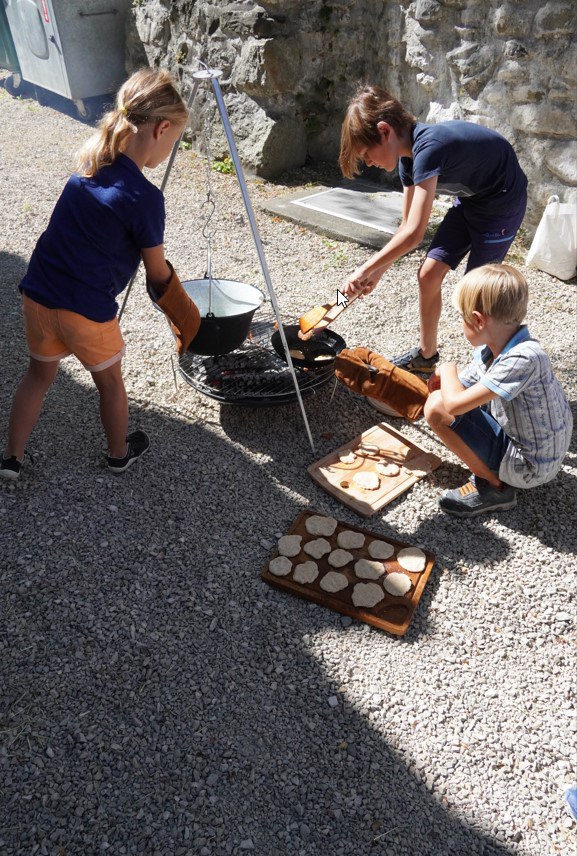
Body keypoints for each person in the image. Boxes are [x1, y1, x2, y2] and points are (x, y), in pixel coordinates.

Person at [0, 68, 194, 481]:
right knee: (110, 384)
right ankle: (119, 454)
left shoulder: (84, 172)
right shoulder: (144, 198)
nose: (169, 149)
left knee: (37, 375)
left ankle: (12, 460)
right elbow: (157, 271)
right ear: (161, 128)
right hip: (86, 311)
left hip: (37, 295)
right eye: (174, 140)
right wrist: (183, 309)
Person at [339, 84, 528, 375]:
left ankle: (494, 374)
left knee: (478, 297)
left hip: (501, 204)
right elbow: (406, 227)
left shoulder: (429, 147)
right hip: (471, 201)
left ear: (385, 131)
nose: (369, 163)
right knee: (428, 275)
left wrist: (363, 269)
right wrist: (376, 272)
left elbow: (416, 233)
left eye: (367, 154)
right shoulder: (407, 160)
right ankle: (426, 357)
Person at [423, 264, 572, 518]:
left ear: (479, 320)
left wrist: (446, 369)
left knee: (437, 407)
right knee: (445, 397)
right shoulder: (500, 348)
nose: (461, 323)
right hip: (528, 447)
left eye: (462, 316)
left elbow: (455, 404)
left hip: (531, 467)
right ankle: (494, 469)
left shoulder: (523, 359)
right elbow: (463, 385)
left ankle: (495, 489)